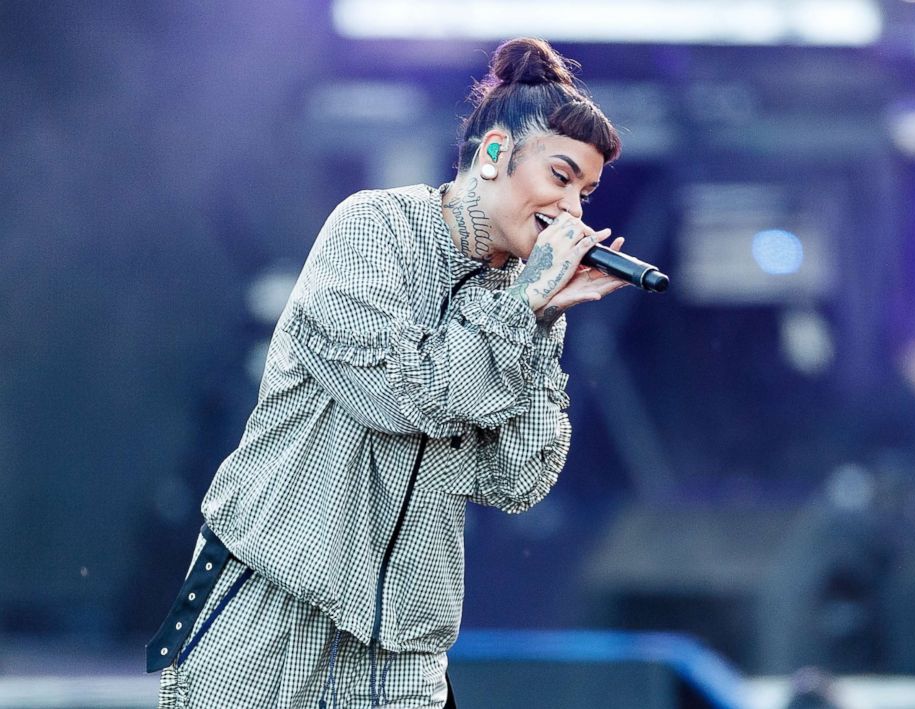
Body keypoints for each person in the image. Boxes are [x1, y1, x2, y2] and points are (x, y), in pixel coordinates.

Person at [146, 37, 626, 708]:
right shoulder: (372, 230)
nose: (572, 208)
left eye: (587, 190)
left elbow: (517, 479)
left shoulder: (523, 300)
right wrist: (521, 310)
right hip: (274, 616)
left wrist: (540, 325)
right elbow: (406, 397)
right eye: (561, 175)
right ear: (492, 155)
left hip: (402, 654)